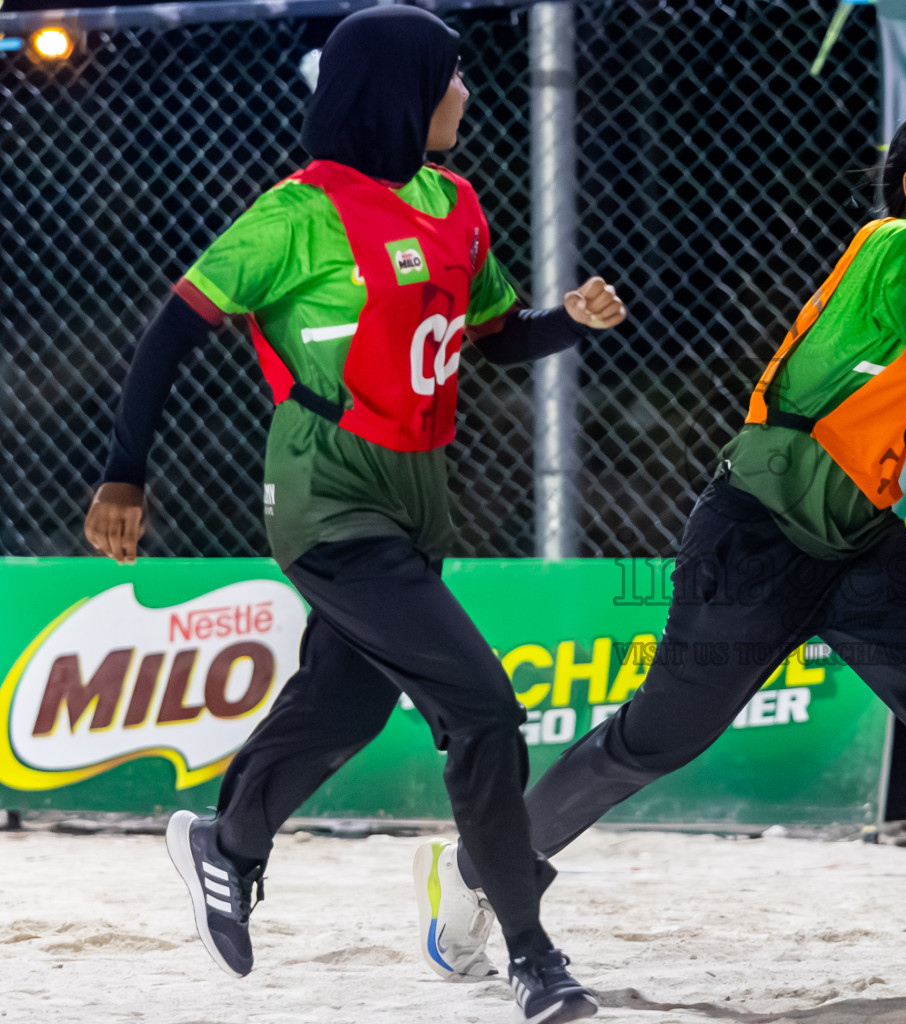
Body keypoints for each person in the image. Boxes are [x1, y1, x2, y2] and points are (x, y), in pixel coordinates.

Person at [417, 106, 906, 987]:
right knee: (657, 739)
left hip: (857, 539)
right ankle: (475, 869)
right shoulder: (900, 244)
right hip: (763, 529)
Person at [81, 9, 622, 1022]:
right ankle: (532, 953)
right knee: (483, 711)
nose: (467, 94)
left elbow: (494, 338)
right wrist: (124, 473)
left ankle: (227, 842)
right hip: (327, 492)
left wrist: (566, 323)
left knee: (348, 701)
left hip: (420, 493)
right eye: (452, 78)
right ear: (401, 91)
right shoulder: (298, 212)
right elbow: (171, 331)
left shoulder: (455, 202)